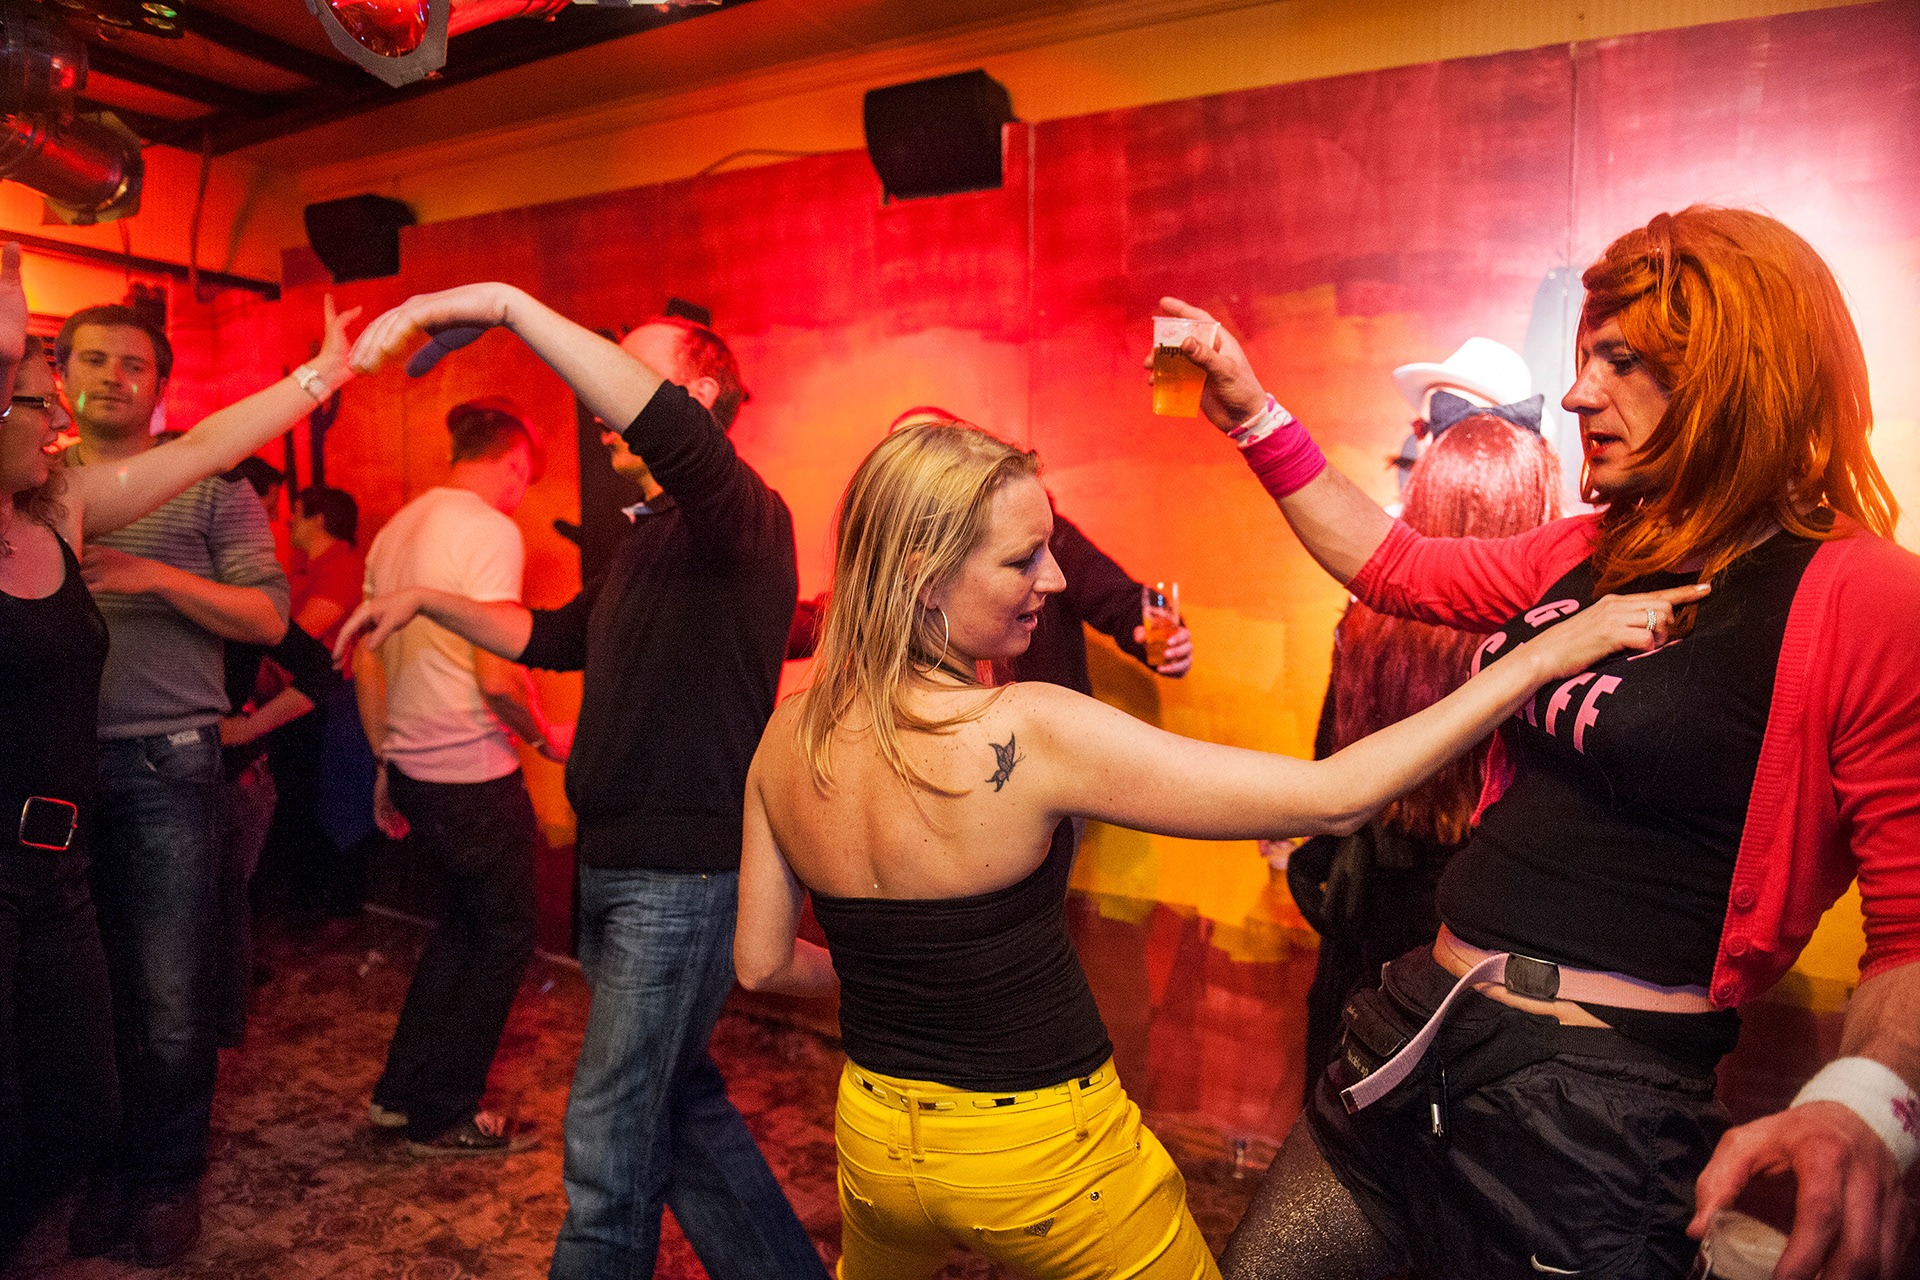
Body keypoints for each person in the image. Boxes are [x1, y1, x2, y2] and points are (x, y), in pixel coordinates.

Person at [728, 420, 1703, 1280]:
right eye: (1024, 559)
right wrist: (1538, 655)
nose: (1057, 580)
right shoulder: (1027, 727)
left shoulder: (786, 732)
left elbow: (761, 961)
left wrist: (899, 989)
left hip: (875, 1142)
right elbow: (1336, 794)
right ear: (922, 578)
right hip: (1044, 1151)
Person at [1158, 206, 1919, 1280]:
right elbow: (1395, 565)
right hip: (1414, 1034)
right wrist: (1251, 412)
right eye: (1583, 359)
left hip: (1592, 1118)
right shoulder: (1591, 551)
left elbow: (1913, 932)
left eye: (1619, 360)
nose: (1575, 394)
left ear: (1731, 374)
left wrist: (1863, 1107)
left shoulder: (1865, 598)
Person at [335, 291, 828, 1279]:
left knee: (608, 1145)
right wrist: (427, 599)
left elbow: (668, 430)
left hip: (678, 880)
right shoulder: (653, 536)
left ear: (698, 396)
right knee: (674, 1104)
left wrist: (513, 308)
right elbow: (554, 638)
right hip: (619, 867)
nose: (606, 409)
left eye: (631, 382)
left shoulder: (744, 514)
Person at [0, 251, 356, 1262]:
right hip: (48, 794)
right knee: (76, 1019)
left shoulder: (75, 503)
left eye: (132, 362)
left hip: (159, 765)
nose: (99, 387)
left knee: (162, 994)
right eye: (78, 365)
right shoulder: (56, 491)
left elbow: (262, 587)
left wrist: (319, 376)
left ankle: (157, 1177)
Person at [1286, 408, 1561, 1089]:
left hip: (1369, 912)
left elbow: (1331, 758)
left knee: (1350, 1127)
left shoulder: (1367, 616)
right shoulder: (1546, 639)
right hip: (1481, 932)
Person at [355, 398, 563, 1157]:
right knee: (504, 936)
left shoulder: (397, 528)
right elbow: (498, 673)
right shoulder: (488, 530)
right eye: (525, 478)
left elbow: (368, 658)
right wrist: (547, 738)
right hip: (470, 773)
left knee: (462, 930)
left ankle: (398, 1094)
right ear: (513, 462)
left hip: (415, 767)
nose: (521, 493)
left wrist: (386, 760)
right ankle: (445, 1111)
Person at [888, 407, 1194, 689]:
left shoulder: (1040, 529)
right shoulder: (886, 573)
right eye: (1020, 561)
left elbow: (1114, 595)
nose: (1055, 581)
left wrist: (1161, 636)